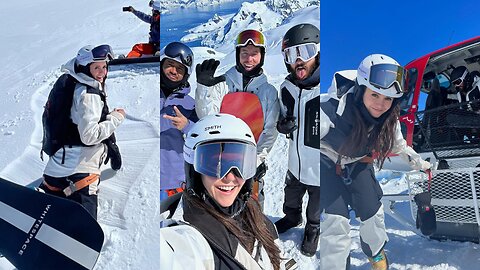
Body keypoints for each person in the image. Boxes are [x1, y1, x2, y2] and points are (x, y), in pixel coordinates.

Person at [320, 54, 432, 269]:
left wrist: (420, 164)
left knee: (372, 212)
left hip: (359, 161)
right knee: (337, 221)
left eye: (388, 99)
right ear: (361, 89)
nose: (381, 105)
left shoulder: (388, 120)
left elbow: (400, 146)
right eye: (375, 95)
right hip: (325, 160)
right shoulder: (329, 110)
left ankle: (375, 253)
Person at [160, 113, 282, 269]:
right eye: (216, 165)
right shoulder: (187, 238)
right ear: (195, 172)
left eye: (240, 166)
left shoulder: (257, 217)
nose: (230, 177)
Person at [195, 29, 280, 208]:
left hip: (251, 159)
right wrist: (203, 88)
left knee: (252, 203)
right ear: (237, 55)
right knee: (221, 201)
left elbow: (270, 131)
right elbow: (207, 119)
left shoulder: (268, 92)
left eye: (254, 54)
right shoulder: (222, 83)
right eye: (245, 53)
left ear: (262, 56)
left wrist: (255, 161)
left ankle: (255, 233)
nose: (249, 59)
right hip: (221, 157)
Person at [40, 44, 125, 220]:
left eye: (104, 66)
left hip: (56, 167)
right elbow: (90, 136)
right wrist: (115, 118)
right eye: (96, 68)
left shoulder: (72, 82)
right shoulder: (89, 95)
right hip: (80, 170)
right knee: (85, 223)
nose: (102, 72)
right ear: (86, 68)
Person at [274, 23, 320, 257]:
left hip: (319, 169)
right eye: (291, 54)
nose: (299, 60)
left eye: (307, 52)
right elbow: (282, 114)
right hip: (295, 162)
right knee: (291, 195)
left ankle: (313, 228)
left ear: (318, 54)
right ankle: (292, 217)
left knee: (316, 204)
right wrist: (282, 125)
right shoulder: (286, 88)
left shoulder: (326, 91)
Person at [160, 42, 198, 200]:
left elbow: (201, 137)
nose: (173, 71)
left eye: (180, 68)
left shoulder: (190, 104)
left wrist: (187, 126)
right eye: (170, 65)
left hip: (174, 184)